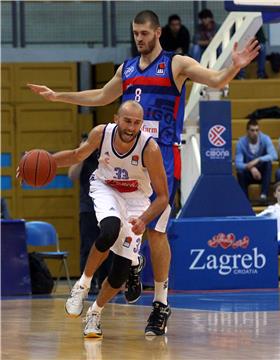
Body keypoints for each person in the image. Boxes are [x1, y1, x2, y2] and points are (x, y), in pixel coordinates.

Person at [27, 9, 260, 336]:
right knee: (118, 225)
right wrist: (59, 96)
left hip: (161, 154)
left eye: (145, 33)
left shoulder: (176, 64)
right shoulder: (128, 69)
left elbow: (215, 80)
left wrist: (233, 66)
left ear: (158, 33)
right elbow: (99, 96)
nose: (139, 38)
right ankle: (132, 265)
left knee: (156, 232)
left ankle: (161, 304)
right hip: (128, 157)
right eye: (136, 33)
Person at [18, 100, 169, 337]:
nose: (131, 127)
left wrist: (143, 219)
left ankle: (95, 313)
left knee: (119, 274)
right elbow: (77, 155)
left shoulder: (149, 149)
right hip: (106, 188)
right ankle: (82, 285)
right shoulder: (102, 133)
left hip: (136, 199)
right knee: (109, 230)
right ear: (116, 118)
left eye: (137, 123)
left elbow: (162, 197)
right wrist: (35, 161)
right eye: (127, 121)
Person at [68, 135, 111, 295]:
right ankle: (87, 283)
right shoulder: (83, 157)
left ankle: (107, 282)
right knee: (88, 246)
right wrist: (81, 155)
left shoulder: (109, 153)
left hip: (108, 207)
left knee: (109, 246)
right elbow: (72, 176)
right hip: (88, 207)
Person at [235, 119, 278, 202]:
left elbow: (274, 155)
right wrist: (251, 168)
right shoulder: (241, 142)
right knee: (240, 172)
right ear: (247, 131)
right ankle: (244, 200)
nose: (255, 133)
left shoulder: (265, 139)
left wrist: (258, 160)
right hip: (248, 174)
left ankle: (263, 195)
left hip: (262, 173)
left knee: (267, 163)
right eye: (252, 130)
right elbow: (238, 164)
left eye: (257, 130)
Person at [257, 181, 280, 253]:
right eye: (279, 190)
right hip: (279, 240)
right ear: (275, 194)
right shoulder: (272, 209)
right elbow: (256, 218)